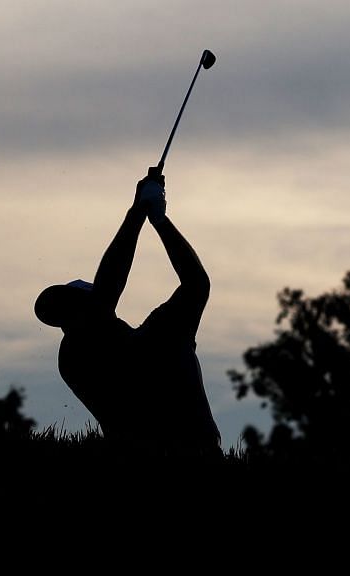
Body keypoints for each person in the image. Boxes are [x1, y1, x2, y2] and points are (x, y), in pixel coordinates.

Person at [33, 170, 221, 456]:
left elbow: (197, 284)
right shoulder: (75, 355)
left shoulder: (158, 337)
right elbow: (104, 299)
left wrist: (157, 217)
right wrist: (141, 213)